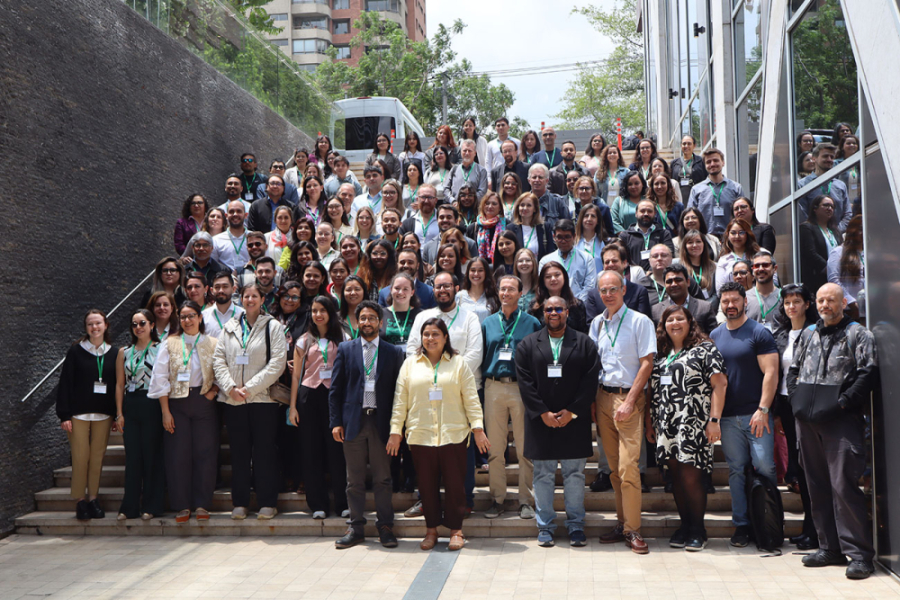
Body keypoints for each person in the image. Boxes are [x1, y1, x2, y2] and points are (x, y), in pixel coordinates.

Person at [787, 283, 879, 580]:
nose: (825, 305)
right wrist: (796, 402)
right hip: (807, 421)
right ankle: (830, 548)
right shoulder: (808, 333)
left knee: (843, 486)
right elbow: (793, 370)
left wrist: (842, 404)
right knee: (816, 485)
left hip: (841, 420)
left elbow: (867, 373)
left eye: (831, 300)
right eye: (821, 300)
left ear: (843, 303)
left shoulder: (859, 334)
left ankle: (860, 555)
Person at [389, 317, 489, 551]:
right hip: (420, 435)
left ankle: (456, 530)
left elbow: (472, 400)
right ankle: (431, 530)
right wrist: (396, 431)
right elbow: (400, 400)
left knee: (456, 486)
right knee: (426, 486)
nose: (430, 338)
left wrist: (478, 429)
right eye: (426, 334)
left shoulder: (459, 363)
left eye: (436, 334)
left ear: (445, 338)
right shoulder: (410, 364)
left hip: (453, 434)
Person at [514, 295, 601, 547]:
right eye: (549, 309)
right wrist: (543, 413)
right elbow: (525, 383)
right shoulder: (528, 344)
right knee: (542, 475)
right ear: (543, 313)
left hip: (575, 421)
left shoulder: (584, 343)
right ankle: (545, 527)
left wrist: (572, 411)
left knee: (574, 475)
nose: (554, 312)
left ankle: (575, 526)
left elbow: (590, 380)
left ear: (567, 312)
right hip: (541, 422)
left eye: (559, 309)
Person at [647, 304, 726, 551]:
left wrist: (714, 421)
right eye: (669, 320)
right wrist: (651, 422)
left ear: (690, 322)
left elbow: (720, 385)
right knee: (676, 479)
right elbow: (653, 390)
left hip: (694, 425)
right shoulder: (661, 354)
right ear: (664, 326)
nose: (675, 323)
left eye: (680, 318)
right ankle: (684, 525)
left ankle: (697, 529)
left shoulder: (705, 350)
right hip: (667, 425)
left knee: (692, 478)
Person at [329, 301, 405, 549]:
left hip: (381, 423)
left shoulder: (393, 352)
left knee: (383, 478)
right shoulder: (346, 349)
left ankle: (385, 526)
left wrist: (398, 428)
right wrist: (336, 422)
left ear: (380, 323)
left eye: (372, 318)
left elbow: (399, 393)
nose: (367, 322)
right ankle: (356, 527)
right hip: (354, 422)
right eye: (363, 318)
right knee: (354, 480)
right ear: (356, 322)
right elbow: (336, 390)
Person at [591, 270, 657, 554]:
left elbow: (647, 364)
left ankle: (633, 529)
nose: (608, 294)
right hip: (602, 397)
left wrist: (630, 401)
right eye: (603, 290)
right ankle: (622, 523)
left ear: (624, 290)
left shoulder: (639, 321)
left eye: (613, 289)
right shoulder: (596, 323)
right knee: (615, 470)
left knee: (629, 468)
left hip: (628, 399)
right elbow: (594, 363)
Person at [709, 282, 779, 548]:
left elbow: (771, 373)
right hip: (727, 418)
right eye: (725, 301)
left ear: (744, 302)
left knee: (765, 468)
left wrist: (763, 410)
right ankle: (742, 526)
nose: (730, 305)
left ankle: (769, 525)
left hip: (755, 416)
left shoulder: (759, 332)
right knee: (736, 471)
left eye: (735, 300)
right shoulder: (715, 335)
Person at [212, 284, 286, 520]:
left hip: (263, 400)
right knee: (239, 453)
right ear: (241, 299)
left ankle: (267, 502)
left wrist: (250, 388)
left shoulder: (273, 326)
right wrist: (231, 388)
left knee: (264, 452)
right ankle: (241, 502)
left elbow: (277, 364)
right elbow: (218, 361)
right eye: (246, 296)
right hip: (234, 401)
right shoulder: (230, 327)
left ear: (263, 299)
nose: (250, 299)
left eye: (255, 296)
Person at [148, 301, 220, 523]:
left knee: (205, 454)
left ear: (200, 318)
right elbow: (159, 376)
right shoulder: (170, 343)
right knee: (177, 455)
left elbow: (223, 370)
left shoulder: (213, 342)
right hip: (176, 404)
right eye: (183, 317)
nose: (187, 321)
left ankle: (202, 504)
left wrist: (212, 392)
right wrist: (165, 411)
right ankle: (182, 505)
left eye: (191, 316)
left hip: (204, 402)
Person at [481, 275, 542, 520]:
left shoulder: (532, 323)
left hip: (521, 388)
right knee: (495, 448)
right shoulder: (487, 323)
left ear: (520, 293)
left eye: (511, 289)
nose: (506, 293)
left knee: (525, 448)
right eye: (502, 289)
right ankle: (497, 499)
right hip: (493, 386)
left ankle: (526, 500)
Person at [288, 295, 350, 519]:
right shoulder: (304, 340)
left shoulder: (343, 337)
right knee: (311, 451)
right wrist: (292, 407)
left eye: (323, 310)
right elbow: (296, 375)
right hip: (309, 396)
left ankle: (343, 502)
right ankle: (318, 505)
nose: (318, 315)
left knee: (337, 451)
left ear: (331, 312)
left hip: (334, 397)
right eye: (314, 310)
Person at [56, 309, 119, 520]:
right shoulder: (76, 351)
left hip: (103, 415)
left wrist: (115, 414)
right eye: (90, 324)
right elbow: (65, 383)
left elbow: (117, 386)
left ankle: (93, 498)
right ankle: (79, 501)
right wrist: (64, 415)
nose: (94, 327)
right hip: (78, 414)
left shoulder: (114, 353)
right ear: (86, 327)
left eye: (98, 323)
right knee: (80, 457)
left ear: (106, 325)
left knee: (97, 457)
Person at [772, 283, 819, 550]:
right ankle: (807, 527)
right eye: (787, 302)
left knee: (811, 469)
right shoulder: (781, 335)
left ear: (807, 304)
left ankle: (816, 529)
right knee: (799, 470)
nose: (792, 306)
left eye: (796, 301)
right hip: (788, 408)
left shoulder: (816, 332)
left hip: (809, 407)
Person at [113, 310, 163, 520]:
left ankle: (151, 506)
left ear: (152, 325)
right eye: (134, 324)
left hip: (153, 403)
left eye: (142, 323)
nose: (138, 327)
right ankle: (129, 507)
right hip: (131, 405)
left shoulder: (161, 349)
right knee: (133, 458)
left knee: (151, 457)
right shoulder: (124, 351)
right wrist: (119, 413)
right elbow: (119, 384)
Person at [687, 149, 745, 236]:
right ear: (705, 165)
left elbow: (743, 216)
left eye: (716, 160)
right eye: (708, 162)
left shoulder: (736, 188)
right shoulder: (696, 190)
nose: (712, 164)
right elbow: (690, 216)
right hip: (706, 239)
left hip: (731, 238)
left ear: (723, 163)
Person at [538, 219, 597, 302]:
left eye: (567, 237)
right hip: (553, 308)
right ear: (554, 237)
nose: (563, 241)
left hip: (578, 307)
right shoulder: (545, 261)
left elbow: (589, 286)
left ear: (574, 236)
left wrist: (575, 303)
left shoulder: (587, 258)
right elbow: (542, 286)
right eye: (559, 237)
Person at [797, 143, 852, 232]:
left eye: (832, 157)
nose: (829, 159)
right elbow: (802, 214)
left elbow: (847, 213)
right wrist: (820, 233)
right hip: (813, 237)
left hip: (837, 237)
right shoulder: (803, 185)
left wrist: (836, 231)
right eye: (825, 156)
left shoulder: (840, 185)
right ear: (814, 159)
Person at [652, 265, 717, 334]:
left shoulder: (705, 307)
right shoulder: (656, 311)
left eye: (678, 280)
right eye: (669, 281)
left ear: (688, 282)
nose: (674, 284)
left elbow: (713, 337)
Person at [800, 195, 843, 294]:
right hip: (817, 279)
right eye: (826, 205)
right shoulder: (807, 228)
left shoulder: (835, 231)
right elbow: (810, 253)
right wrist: (829, 269)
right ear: (815, 208)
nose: (830, 209)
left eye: (832, 207)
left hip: (837, 278)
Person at [530, 261, 588, 333]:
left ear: (564, 277)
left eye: (557, 275)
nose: (553, 279)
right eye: (548, 277)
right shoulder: (535, 306)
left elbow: (583, 333)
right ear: (543, 281)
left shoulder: (577, 305)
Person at [618, 199, 675, 272]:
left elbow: (669, 255)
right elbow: (622, 258)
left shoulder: (664, 234)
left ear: (655, 214)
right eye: (642, 211)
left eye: (649, 211)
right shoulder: (625, 236)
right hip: (634, 277)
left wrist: (652, 271)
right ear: (636, 213)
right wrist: (638, 273)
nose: (646, 214)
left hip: (657, 275)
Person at [827, 215, 865, 315]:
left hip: (868, 310)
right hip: (848, 310)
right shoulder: (838, 252)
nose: (864, 232)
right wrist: (852, 303)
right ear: (852, 230)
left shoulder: (869, 253)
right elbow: (834, 280)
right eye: (860, 229)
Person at [716, 218, 760, 295]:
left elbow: (772, 281)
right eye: (733, 233)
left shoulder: (759, 254)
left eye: (741, 232)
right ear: (728, 235)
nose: (737, 236)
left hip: (757, 298)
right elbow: (719, 290)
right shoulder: (723, 260)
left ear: (748, 234)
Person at [508, 192, 555, 261]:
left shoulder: (545, 227)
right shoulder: (510, 228)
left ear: (535, 209)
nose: (525, 208)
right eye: (522, 205)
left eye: (529, 205)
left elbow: (550, 251)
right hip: (520, 268)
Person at [381, 272, 422, 349]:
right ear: (391, 289)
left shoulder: (421, 315)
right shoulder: (380, 314)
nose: (401, 292)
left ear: (412, 292)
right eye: (397, 288)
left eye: (405, 289)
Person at [527, 163, 570, 232]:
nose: (537, 180)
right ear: (529, 180)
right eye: (534, 177)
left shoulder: (558, 202)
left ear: (547, 180)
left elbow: (567, 227)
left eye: (540, 177)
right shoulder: (522, 202)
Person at [457, 256, 500, 322]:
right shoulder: (459, 296)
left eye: (480, 270)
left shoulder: (494, 297)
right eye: (473, 270)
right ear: (468, 273)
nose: (476, 274)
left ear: (486, 273)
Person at [678, 230, 718, 300]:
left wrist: (706, 307)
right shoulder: (678, 265)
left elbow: (716, 293)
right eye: (690, 242)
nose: (695, 245)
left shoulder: (715, 267)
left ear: (704, 244)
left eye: (698, 241)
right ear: (685, 246)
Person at [211, 201, 250, 271]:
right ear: (226, 216)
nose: (235, 214)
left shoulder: (254, 239)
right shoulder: (216, 240)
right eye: (231, 211)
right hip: (225, 279)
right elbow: (213, 265)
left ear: (246, 215)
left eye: (239, 211)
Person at [747, 251, 781, 329]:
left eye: (765, 265)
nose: (761, 269)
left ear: (775, 268)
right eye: (757, 266)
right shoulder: (744, 298)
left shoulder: (783, 297)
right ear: (752, 269)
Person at [670, 135, 708, 204]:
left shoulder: (701, 162)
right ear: (681, 145)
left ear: (694, 145)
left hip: (697, 198)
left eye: (689, 144)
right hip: (679, 198)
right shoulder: (674, 163)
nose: (686, 146)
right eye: (684, 144)